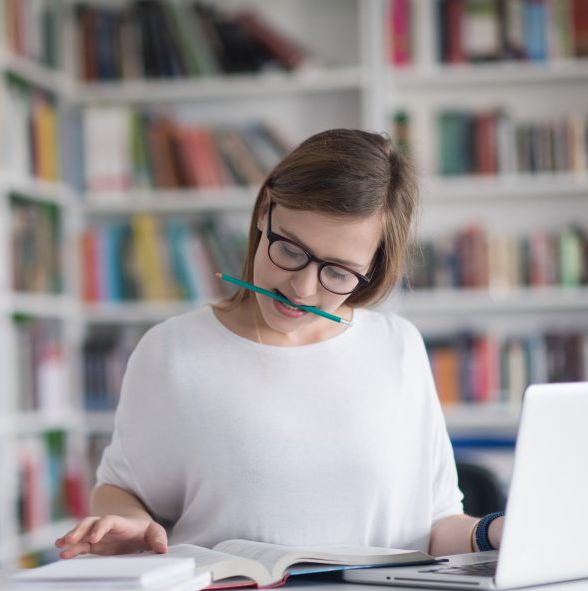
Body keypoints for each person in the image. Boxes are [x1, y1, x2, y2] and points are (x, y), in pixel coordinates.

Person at [56, 128, 505, 561]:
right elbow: (119, 489)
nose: (303, 289)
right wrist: (131, 523)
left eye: (339, 271)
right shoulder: (171, 352)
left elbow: (436, 525)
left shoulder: (399, 347)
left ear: (374, 266)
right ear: (264, 211)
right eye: (291, 249)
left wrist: (496, 532)